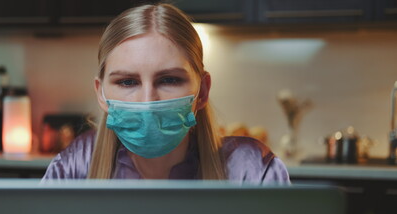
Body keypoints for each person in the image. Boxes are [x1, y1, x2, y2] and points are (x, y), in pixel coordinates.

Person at [42, 3, 290, 183]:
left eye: (169, 79)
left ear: (202, 91)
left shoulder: (251, 171)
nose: (148, 101)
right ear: (101, 94)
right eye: (128, 82)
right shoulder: (75, 166)